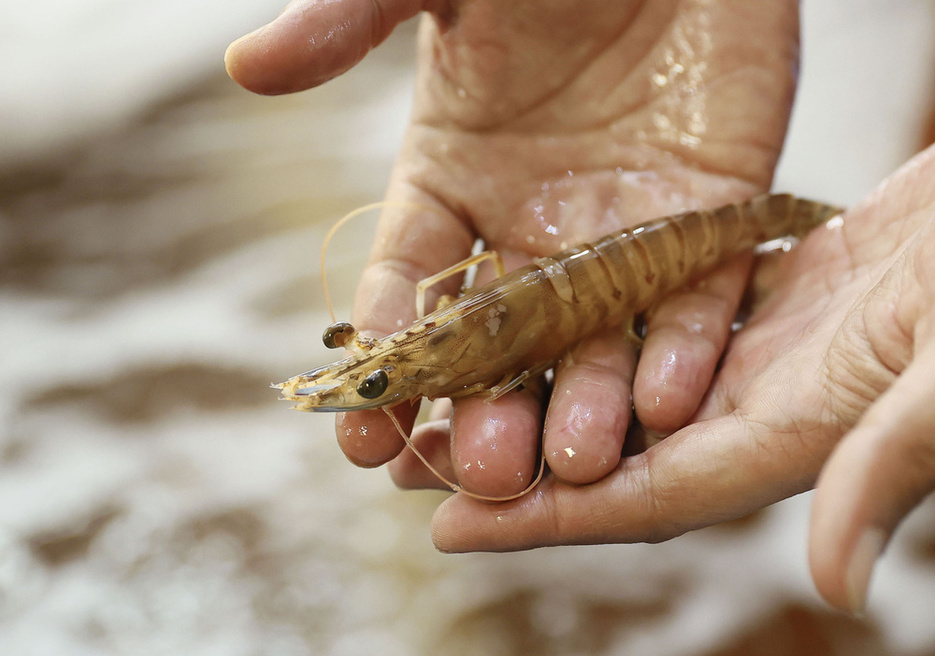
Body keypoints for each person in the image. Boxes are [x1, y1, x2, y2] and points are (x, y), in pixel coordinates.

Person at [226, 0, 935, 614]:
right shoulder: (437, 327)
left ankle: (846, 215)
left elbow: (491, 359)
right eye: (377, 375)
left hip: (657, 253)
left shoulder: (459, 347)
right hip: (596, 270)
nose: (378, 373)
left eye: (375, 374)